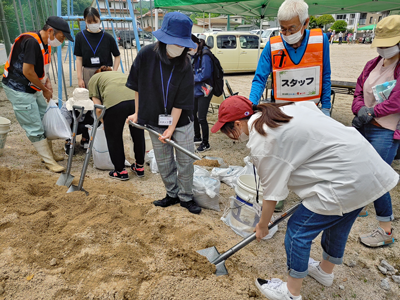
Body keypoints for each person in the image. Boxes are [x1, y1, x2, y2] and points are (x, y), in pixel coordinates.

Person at [211, 95, 398, 300]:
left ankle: (291, 293)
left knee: (298, 231)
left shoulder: (263, 139)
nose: (230, 136)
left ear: (237, 123)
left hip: (343, 178)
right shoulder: (282, 110)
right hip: (364, 166)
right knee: (339, 222)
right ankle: (325, 272)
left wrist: (263, 225)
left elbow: (272, 193)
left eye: (227, 130)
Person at [126, 12, 201, 214]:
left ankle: (186, 197)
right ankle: (172, 194)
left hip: (181, 119)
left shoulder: (185, 64)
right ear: (163, 38)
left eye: (182, 44)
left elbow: (181, 102)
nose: (178, 48)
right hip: (153, 117)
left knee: (185, 159)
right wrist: (137, 113)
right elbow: (137, 86)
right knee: (164, 160)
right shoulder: (145, 54)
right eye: (174, 42)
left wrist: (171, 127)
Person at [351, 15, 400, 247]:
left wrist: (372, 112)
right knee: (360, 168)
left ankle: (386, 230)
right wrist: (360, 109)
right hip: (367, 126)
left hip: (386, 131)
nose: (383, 48)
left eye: (388, 44)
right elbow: (358, 89)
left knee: (378, 177)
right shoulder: (374, 63)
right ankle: (357, 207)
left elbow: (397, 101)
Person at [2, 16, 73, 172]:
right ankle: (48, 161)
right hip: (18, 88)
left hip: (33, 87)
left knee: (44, 116)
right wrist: (44, 89)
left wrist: (46, 83)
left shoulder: (44, 42)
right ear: (50, 31)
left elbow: (41, 68)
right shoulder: (32, 42)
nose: (61, 42)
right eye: (61, 37)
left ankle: (49, 154)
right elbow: (28, 71)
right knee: (34, 125)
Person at [249, 0, 332, 118]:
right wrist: (251, 105)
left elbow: (325, 75)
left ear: (305, 22)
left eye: (292, 29)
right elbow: (260, 79)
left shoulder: (320, 41)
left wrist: (326, 107)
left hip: (311, 110)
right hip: (282, 111)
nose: (287, 34)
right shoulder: (273, 46)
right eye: (283, 29)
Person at [87, 66, 145, 180]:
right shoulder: (120, 74)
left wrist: (104, 122)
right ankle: (139, 167)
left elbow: (98, 108)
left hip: (115, 104)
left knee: (114, 137)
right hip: (136, 101)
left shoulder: (94, 79)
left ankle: (120, 171)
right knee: (138, 133)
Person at [74, 7, 121, 89]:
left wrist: (114, 72)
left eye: (95, 21)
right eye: (89, 21)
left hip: (105, 72)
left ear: (99, 19)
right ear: (85, 21)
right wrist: (79, 78)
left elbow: (117, 56)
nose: (93, 24)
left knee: (105, 97)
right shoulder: (80, 36)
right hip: (88, 72)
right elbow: (78, 59)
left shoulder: (108, 37)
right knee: (90, 97)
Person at [190, 34, 214, 152]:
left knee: (202, 117)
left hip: (206, 88)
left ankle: (206, 143)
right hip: (196, 89)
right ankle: (197, 136)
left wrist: (191, 78)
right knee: (192, 113)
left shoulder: (205, 54)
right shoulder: (195, 54)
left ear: (196, 43)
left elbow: (206, 74)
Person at [60, 88, 95, 155]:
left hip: (84, 124)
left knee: (91, 120)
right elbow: (66, 126)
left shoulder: (92, 108)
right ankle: (69, 142)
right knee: (68, 124)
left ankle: (85, 139)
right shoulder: (66, 108)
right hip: (72, 126)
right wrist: (70, 137)